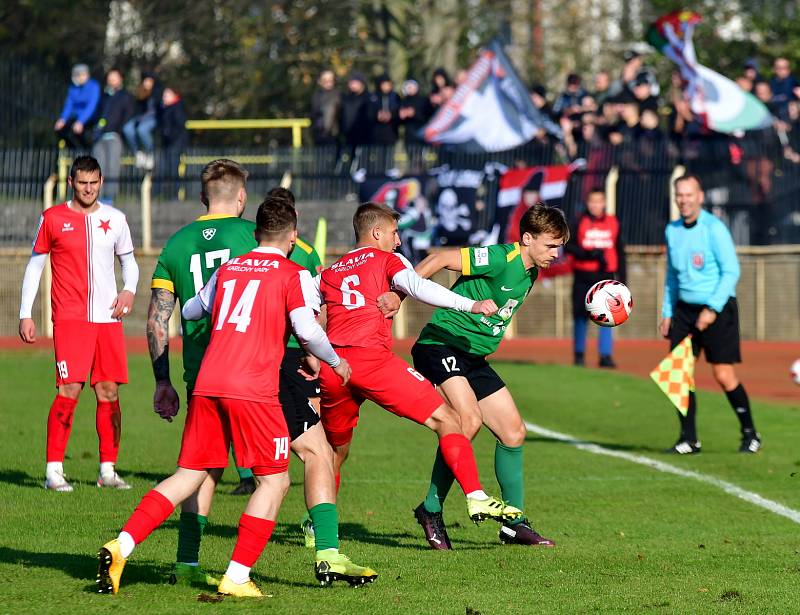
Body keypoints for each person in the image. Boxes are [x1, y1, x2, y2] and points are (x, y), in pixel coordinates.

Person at [96, 198, 353, 598]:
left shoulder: (230, 268)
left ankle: (121, 546)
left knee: (190, 475)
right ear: (293, 237)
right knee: (275, 480)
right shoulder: (294, 273)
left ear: (255, 234)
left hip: (208, 381)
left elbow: (195, 310)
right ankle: (236, 576)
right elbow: (307, 329)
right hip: (253, 388)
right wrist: (335, 361)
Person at [147, 173, 374, 587]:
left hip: (207, 370)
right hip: (263, 372)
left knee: (203, 471)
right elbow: (308, 320)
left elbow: (177, 314)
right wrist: (326, 359)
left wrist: (164, 378)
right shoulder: (292, 256)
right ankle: (327, 554)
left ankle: (186, 563)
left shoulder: (180, 242)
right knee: (314, 455)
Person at [317, 202, 523, 538]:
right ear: (377, 233)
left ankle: (317, 527)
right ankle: (476, 496)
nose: (398, 241)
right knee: (449, 420)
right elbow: (418, 286)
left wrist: (309, 355)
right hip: (372, 362)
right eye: (395, 233)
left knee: (334, 451)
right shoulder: (388, 259)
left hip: (333, 368)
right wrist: (470, 304)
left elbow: (311, 316)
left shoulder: (329, 271)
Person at [398, 204, 567, 550]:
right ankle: (431, 508)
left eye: (559, 245)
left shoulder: (531, 271)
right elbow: (442, 258)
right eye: (550, 245)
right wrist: (400, 292)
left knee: (513, 431)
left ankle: (513, 523)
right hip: (441, 343)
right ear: (527, 239)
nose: (556, 252)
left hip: (472, 355)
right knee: (467, 420)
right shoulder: (501, 258)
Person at [18, 155, 138, 492]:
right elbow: (34, 267)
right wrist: (25, 313)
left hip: (108, 320)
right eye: (82, 183)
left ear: (101, 182)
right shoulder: (53, 218)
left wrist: (128, 291)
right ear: (71, 183)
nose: (88, 188)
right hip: (71, 319)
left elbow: (129, 263)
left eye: (94, 182)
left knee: (109, 391)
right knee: (69, 388)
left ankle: (108, 470)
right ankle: (53, 471)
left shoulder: (115, 219)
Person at [659, 175, 761, 454]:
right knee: (678, 373)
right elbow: (671, 275)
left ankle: (750, 434)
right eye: (679, 195)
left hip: (718, 308)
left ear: (700, 196)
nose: (684, 200)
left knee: (723, 374)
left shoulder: (714, 228)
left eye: (689, 194)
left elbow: (732, 271)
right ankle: (688, 439)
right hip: (683, 311)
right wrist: (667, 311)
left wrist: (712, 309)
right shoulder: (672, 230)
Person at [564, 188, 626, 367]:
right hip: (583, 275)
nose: (595, 205)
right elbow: (568, 246)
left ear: (604, 203)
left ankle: (605, 355)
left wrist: (623, 279)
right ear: (587, 203)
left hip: (605, 276)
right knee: (580, 315)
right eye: (592, 201)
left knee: (607, 316)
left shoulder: (613, 222)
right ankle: (579, 354)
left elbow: (620, 253)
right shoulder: (579, 221)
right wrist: (588, 254)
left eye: (599, 201)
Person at [92, 68, 134, 204]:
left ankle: (108, 199)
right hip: (100, 137)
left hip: (115, 136)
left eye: (114, 77)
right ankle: (96, 198)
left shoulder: (125, 96)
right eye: (110, 77)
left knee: (112, 168)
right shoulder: (103, 96)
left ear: (120, 78)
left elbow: (128, 116)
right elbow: (97, 113)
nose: (112, 80)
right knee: (98, 167)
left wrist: (119, 130)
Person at [55, 63, 101, 150]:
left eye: (82, 74)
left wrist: (81, 121)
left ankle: (86, 152)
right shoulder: (73, 88)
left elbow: (91, 106)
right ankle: (72, 151)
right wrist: (63, 119)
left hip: (90, 119)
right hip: (75, 118)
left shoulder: (94, 86)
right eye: (78, 75)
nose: (80, 77)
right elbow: (69, 105)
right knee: (60, 130)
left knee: (81, 134)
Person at [122, 71, 161, 170]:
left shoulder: (157, 93)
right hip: (139, 118)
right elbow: (136, 109)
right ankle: (138, 153)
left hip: (153, 119)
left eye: (150, 81)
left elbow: (158, 109)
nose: (147, 83)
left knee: (142, 130)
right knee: (127, 129)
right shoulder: (139, 92)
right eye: (146, 81)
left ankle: (150, 154)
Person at [157, 87, 188, 200]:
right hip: (169, 142)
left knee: (173, 169)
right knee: (168, 168)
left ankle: (174, 195)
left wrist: (169, 134)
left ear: (174, 96)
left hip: (175, 143)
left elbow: (179, 125)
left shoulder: (177, 107)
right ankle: (168, 194)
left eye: (167, 95)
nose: (164, 97)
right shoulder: (165, 108)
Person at [310, 69, 341, 146]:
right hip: (318, 134)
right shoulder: (316, 95)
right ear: (319, 81)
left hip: (333, 135)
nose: (328, 82)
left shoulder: (338, 95)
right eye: (325, 80)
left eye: (330, 80)